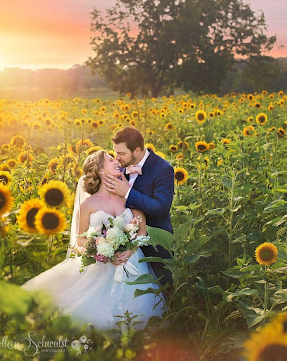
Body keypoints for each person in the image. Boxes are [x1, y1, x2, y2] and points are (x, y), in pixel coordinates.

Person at [22, 150, 164, 331]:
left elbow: (142, 232)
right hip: (101, 266)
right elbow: (79, 240)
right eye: (110, 160)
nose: (116, 161)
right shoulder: (87, 205)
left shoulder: (130, 197)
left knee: (143, 314)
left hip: (132, 262)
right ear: (101, 171)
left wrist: (129, 250)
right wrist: (100, 248)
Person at [103, 127, 175, 295]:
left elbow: (161, 208)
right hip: (123, 245)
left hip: (155, 245)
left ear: (137, 150)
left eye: (121, 153)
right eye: (115, 152)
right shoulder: (118, 167)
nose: (117, 158)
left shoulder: (163, 169)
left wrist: (128, 193)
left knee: (161, 294)